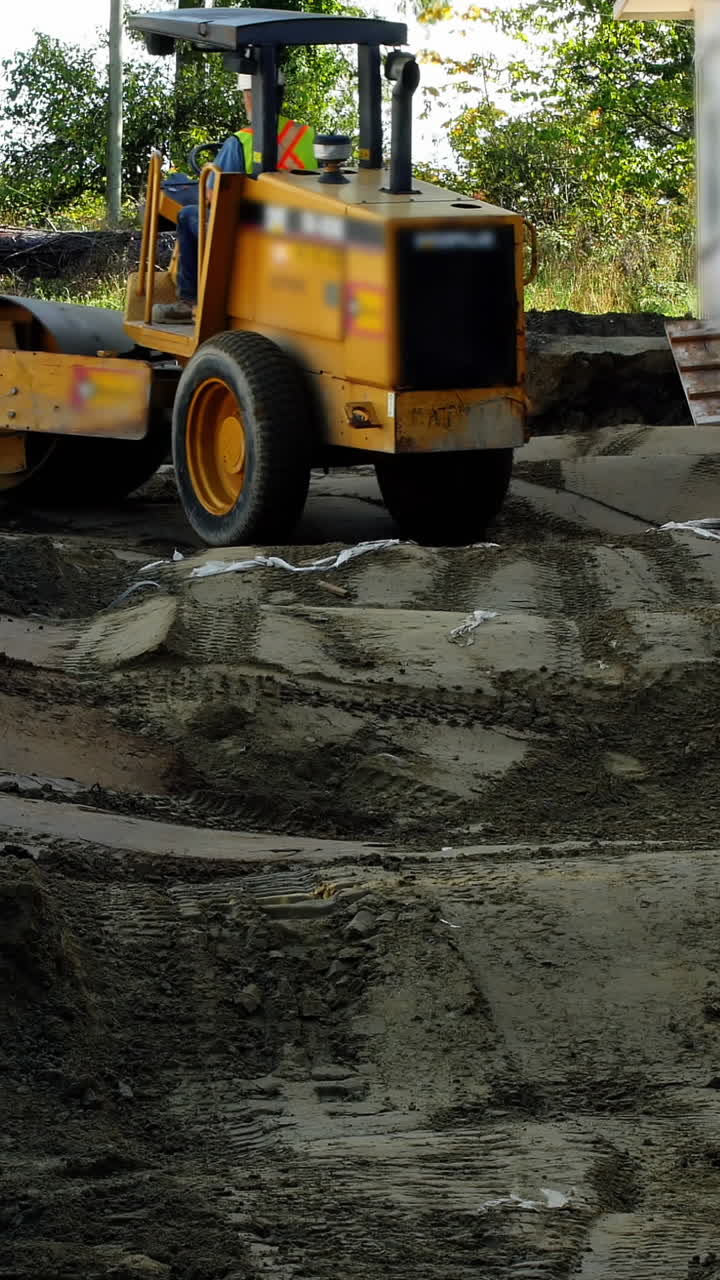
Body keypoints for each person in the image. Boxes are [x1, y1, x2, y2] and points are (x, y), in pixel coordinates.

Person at [153, 70, 315, 324]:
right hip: (299, 226)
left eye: (245, 95)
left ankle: (189, 302)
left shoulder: (241, 142)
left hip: (252, 228)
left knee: (187, 215)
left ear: (251, 97)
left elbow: (213, 195)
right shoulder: (307, 135)